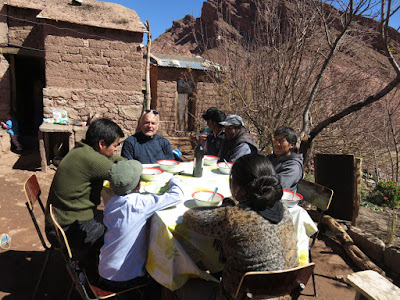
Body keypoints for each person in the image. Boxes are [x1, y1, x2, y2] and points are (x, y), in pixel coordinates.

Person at [176, 154, 299, 300]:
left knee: (176, 281)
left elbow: (189, 217)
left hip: (234, 296)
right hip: (282, 294)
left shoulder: (232, 217)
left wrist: (226, 208)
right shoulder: (284, 208)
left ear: (239, 189)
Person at [44, 118, 125, 276]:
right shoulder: (92, 160)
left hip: (60, 220)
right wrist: (134, 165)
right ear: (101, 144)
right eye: (115, 145)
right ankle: (98, 275)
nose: (116, 150)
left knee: (114, 219)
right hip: (67, 229)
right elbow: (124, 177)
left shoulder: (82, 150)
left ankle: (95, 265)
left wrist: (121, 160)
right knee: (119, 229)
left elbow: (113, 160)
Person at [98, 160, 188, 292]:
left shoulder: (111, 203)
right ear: (139, 186)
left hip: (104, 271)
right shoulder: (139, 204)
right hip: (125, 279)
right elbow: (177, 196)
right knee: (157, 281)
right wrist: (175, 179)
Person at [267, 126, 303, 191]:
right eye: (275, 139)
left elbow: (276, 188)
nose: (277, 144)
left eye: (281, 141)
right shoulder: (270, 158)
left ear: (291, 145)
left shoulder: (293, 167)